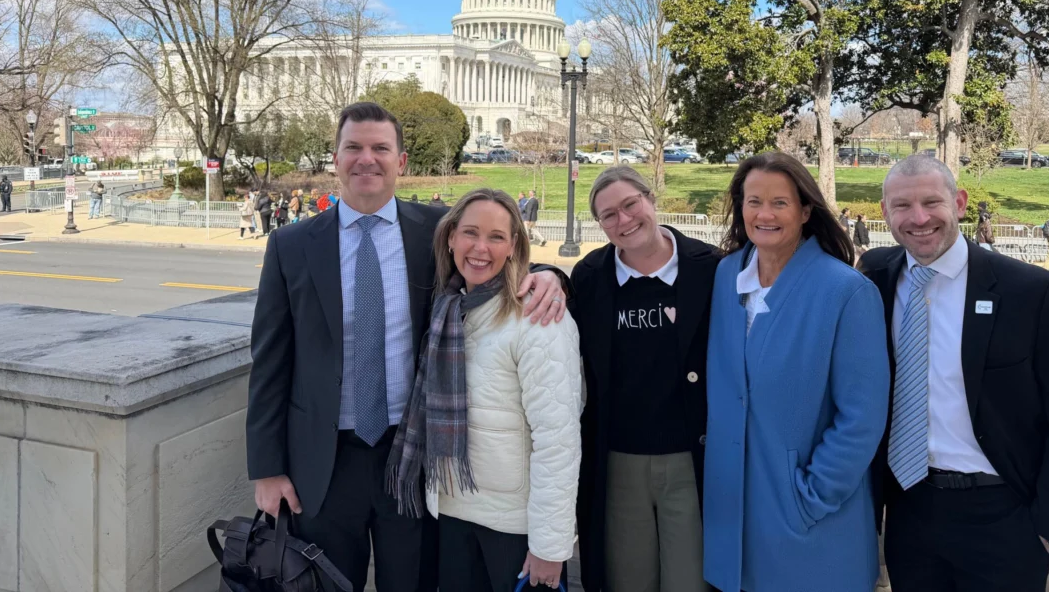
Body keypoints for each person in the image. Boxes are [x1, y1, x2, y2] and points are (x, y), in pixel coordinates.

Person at [247, 101, 571, 592]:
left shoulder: (436, 231)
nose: (366, 159)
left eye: (380, 148)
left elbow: (494, 258)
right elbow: (270, 362)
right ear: (334, 157)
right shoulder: (291, 245)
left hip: (413, 458)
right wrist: (267, 469)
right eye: (353, 147)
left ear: (401, 161)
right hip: (322, 462)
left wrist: (551, 275)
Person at [859, 155, 1049, 592]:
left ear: (960, 203)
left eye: (932, 202)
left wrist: (1047, 527)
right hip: (910, 512)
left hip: (1006, 516)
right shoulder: (876, 277)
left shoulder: (1032, 292)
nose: (919, 218)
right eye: (902, 206)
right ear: (886, 212)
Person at [703, 152, 889, 592]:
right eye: (753, 201)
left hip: (812, 523)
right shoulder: (727, 275)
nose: (764, 214)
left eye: (779, 203)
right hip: (733, 520)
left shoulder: (846, 291)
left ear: (806, 210)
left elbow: (861, 419)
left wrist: (810, 497)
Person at [389, 188, 582, 592]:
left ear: (514, 245)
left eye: (496, 237)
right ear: (451, 237)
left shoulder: (538, 315)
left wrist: (550, 545)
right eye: (471, 233)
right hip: (451, 511)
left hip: (514, 525)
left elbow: (558, 441)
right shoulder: (447, 307)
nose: (481, 248)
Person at [570, 166, 719, 592]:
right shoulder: (591, 277)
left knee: (689, 581)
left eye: (630, 205)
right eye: (608, 215)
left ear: (650, 200)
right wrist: (550, 274)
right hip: (619, 459)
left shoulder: (709, 269)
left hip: (691, 459)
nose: (624, 220)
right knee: (626, 579)